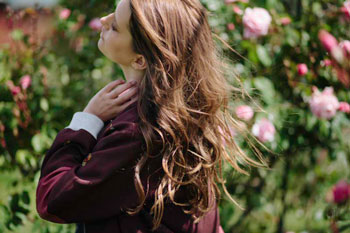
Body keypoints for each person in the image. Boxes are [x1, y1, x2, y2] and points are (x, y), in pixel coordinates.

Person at [36, 0, 268, 232]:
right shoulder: (184, 120)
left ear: (140, 59)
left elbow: (53, 200)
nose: (104, 21)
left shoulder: (137, 133)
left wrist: (87, 122)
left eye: (116, 26)